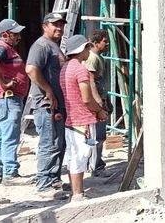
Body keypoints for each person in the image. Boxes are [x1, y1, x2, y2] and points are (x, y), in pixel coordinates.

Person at [25, 12, 68, 198]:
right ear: (45, 26)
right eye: (54, 24)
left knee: (59, 143)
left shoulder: (53, 46)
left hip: (56, 105)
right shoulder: (41, 45)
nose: (59, 28)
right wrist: (48, 90)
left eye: (61, 24)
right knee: (49, 143)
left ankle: (54, 178)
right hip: (46, 105)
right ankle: (43, 184)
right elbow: (31, 70)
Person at [60, 34, 108, 202]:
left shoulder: (65, 68)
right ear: (81, 49)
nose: (89, 50)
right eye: (87, 47)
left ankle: (75, 192)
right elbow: (86, 98)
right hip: (82, 120)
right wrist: (99, 111)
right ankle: (78, 194)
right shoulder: (80, 69)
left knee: (73, 156)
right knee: (80, 156)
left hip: (71, 119)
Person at [0, 18, 31, 186]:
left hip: (1, 99)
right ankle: (10, 173)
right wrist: (4, 84)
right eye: (15, 34)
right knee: (10, 136)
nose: (19, 37)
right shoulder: (1, 47)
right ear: (5, 35)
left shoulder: (6, 48)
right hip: (6, 99)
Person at [83, 29, 110, 176]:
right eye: (105, 42)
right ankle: (95, 166)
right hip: (95, 103)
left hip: (98, 99)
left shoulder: (97, 57)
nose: (107, 44)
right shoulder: (92, 58)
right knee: (97, 136)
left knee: (97, 135)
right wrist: (99, 102)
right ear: (95, 43)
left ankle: (94, 164)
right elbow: (91, 81)